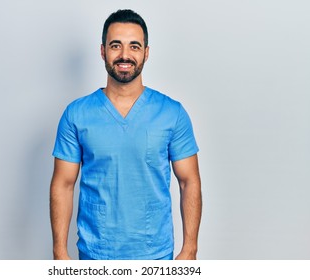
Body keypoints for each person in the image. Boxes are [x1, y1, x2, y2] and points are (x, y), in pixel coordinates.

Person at [50, 9, 202, 260]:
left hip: (155, 256)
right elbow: (63, 184)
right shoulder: (76, 115)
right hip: (95, 255)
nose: (124, 55)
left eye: (134, 46)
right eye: (115, 45)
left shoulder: (171, 114)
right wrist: (59, 251)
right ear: (102, 51)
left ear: (146, 52)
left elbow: (189, 181)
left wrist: (190, 249)